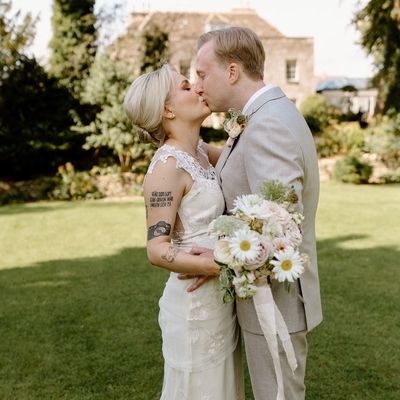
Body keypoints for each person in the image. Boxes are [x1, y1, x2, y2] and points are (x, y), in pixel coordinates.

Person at [186, 27, 323, 400]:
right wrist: (182, 139)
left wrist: (216, 260)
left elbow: (279, 228)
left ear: (232, 72)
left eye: (202, 74)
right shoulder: (262, 116)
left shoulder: (268, 125)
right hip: (266, 301)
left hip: (275, 304)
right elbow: (238, 164)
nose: (197, 85)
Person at [124, 64, 244, 400]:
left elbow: (246, 163)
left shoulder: (202, 153)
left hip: (219, 304)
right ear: (168, 109)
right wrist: (217, 265)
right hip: (193, 308)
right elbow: (156, 249)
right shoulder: (167, 168)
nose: (199, 90)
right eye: (187, 86)